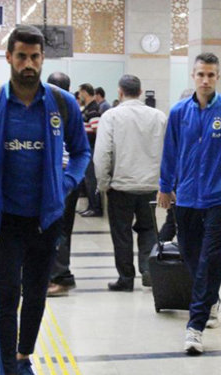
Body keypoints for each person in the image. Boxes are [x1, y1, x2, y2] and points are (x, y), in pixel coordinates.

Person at [0, 24, 90, 375]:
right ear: (9, 57)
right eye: (21, 56)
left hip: (45, 218)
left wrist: (67, 183)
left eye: (34, 57)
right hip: (2, 218)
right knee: (6, 297)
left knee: (35, 294)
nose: (28, 64)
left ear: (43, 58)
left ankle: (23, 357)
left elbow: (81, 151)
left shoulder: (62, 104)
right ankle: (6, 367)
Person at [158, 52, 221, 355]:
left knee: (210, 261)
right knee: (193, 259)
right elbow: (170, 152)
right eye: (201, 74)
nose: (205, 80)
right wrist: (165, 187)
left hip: (218, 200)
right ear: (193, 76)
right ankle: (211, 299)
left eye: (211, 75)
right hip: (187, 200)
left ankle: (195, 327)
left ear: (218, 77)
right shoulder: (179, 112)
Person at [94, 74, 167, 291]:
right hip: (150, 186)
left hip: (120, 186)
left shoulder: (111, 116)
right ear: (140, 92)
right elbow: (169, 152)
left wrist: (103, 183)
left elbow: (102, 154)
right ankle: (148, 271)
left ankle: (126, 278)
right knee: (148, 230)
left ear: (120, 92)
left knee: (122, 234)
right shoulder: (159, 117)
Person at [45, 71, 81, 297]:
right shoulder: (74, 108)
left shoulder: (49, 109)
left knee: (54, 227)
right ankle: (54, 274)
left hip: (57, 175)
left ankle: (60, 277)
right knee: (62, 227)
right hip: (69, 175)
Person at [78, 83, 103, 217]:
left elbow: (97, 130)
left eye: (80, 92)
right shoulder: (88, 108)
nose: (79, 95)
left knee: (91, 179)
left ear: (85, 92)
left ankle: (95, 207)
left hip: (92, 148)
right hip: (87, 148)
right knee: (88, 180)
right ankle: (91, 206)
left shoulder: (93, 110)